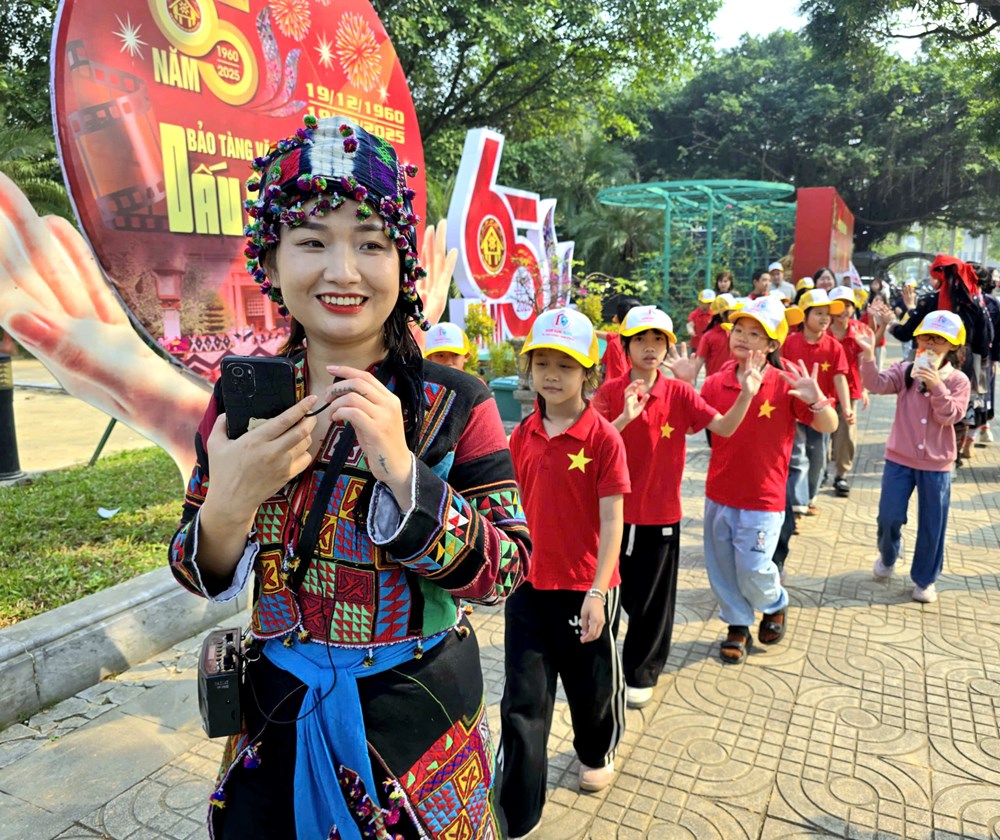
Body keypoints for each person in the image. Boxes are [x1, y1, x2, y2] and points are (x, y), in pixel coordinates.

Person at [167, 116, 531, 840]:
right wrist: (230, 505)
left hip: (415, 715)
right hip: (276, 709)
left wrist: (404, 471)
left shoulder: (455, 403)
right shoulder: (239, 405)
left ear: (404, 265)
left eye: (370, 243)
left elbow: (506, 572)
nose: (343, 271)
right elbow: (193, 566)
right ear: (268, 263)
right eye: (311, 241)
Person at [592, 305, 762, 708]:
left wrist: (748, 396)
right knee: (608, 599)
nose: (650, 348)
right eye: (641, 340)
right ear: (626, 346)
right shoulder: (610, 392)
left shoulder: (680, 392)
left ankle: (640, 672)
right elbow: (592, 445)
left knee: (652, 606)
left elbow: (722, 427)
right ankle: (599, 671)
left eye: (658, 340)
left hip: (659, 519)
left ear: (668, 347)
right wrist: (623, 421)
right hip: (611, 517)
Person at [501, 307, 628, 837]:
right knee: (523, 698)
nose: (552, 374)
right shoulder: (519, 435)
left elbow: (613, 520)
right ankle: (520, 805)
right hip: (528, 587)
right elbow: (509, 508)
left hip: (585, 590)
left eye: (566, 365)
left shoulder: (602, 439)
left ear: (588, 375)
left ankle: (595, 750)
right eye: (543, 362)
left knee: (590, 687)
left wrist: (598, 591)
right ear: (528, 369)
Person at [700, 296, 838, 662]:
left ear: (772, 344)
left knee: (754, 566)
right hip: (720, 493)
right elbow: (698, 424)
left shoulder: (784, 383)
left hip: (764, 498)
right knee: (723, 569)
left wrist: (817, 399)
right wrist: (683, 384)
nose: (743, 338)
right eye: (740, 330)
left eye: (756, 334)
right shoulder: (715, 383)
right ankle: (738, 625)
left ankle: (775, 602)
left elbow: (829, 426)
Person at [858, 309, 971, 603]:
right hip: (899, 459)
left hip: (937, 465)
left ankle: (924, 578)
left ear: (953, 346)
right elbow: (876, 384)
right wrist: (868, 356)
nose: (931, 345)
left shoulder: (958, 380)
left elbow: (950, 416)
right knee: (888, 516)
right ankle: (888, 554)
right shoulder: (905, 370)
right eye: (926, 338)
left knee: (933, 523)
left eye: (939, 340)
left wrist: (936, 384)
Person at [889, 255, 993, 467]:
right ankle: (950, 458)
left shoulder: (930, 300)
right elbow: (985, 340)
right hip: (964, 364)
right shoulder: (975, 302)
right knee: (958, 410)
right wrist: (981, 365)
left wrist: (892, 323)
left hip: (927, 361)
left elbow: (905, 332)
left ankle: (925, 452)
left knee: (924, 404)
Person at [783, 289, 850, 517]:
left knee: (818, 459)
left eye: (827, 314)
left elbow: (840, 377)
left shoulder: (834, 347)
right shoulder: (789, 343)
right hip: (793, 411)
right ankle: (797, 506)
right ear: (804, 316)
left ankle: (808, 498)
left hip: (821, 413)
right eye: (818, 313)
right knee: (797, 458)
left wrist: (848, 408)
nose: (824, 318)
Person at [827, 287, 870, 497]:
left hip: (850, 389)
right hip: (823, 389)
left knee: (847, 434)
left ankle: (841, 474)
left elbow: (865, 361)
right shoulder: (822, 329)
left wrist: (865, 389)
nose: (844, 310)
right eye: (840, 304)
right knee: (823, 433)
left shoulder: (859, 330)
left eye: (849, 305)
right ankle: (819, 471)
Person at [690, 293, 738, 385]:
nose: (736, 312)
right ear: (722, 313)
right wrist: (693, 379)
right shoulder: (709, 336)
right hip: (714, 384)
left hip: (735, 383)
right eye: (733, 310)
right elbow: (700, 359)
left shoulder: (737, 333)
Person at [599, 295, 642, 382]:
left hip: (621, 392)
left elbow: (615, 375)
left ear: (618, 318)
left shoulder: (616, 344)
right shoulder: (644, 342)